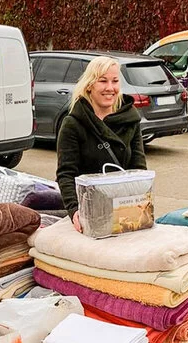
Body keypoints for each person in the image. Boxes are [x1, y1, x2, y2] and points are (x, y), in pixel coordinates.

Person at [56, 56, 147, 232]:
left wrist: (140, 205)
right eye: (103, 81)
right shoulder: (73, 124)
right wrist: (75, 210)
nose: (110, 88)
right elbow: (66, 174)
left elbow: (138, 169)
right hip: (91, 209)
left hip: (124, 207)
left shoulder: (130, 119)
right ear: (90, 85)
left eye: (115, 81)